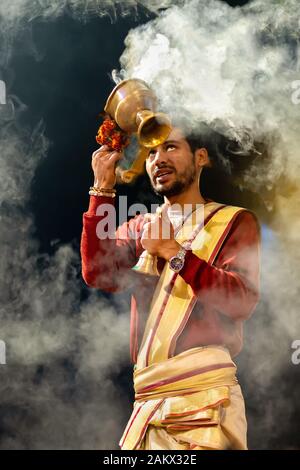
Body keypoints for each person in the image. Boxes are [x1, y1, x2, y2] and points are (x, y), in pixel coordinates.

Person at [80, 126, 260, 450]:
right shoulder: (141, 226)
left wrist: (173, 253)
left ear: (201, 157)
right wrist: (102, 188)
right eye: (151, 152)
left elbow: (241, 301)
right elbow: (97, 273)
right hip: (147, 406)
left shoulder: (235, 221)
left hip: (206, 402)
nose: (158, 159)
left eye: (171, 148)